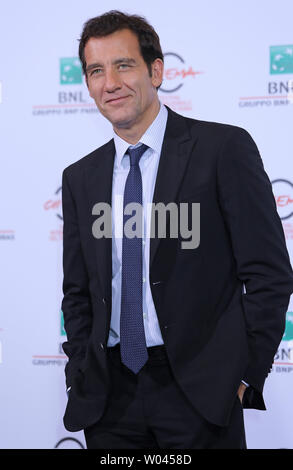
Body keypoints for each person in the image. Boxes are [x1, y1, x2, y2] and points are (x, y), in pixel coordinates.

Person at [61, 10, 293, 449]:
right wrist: (79, 374)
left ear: (157, 70)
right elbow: (78, 291)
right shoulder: (80, 177)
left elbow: (269, 273)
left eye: (123, 65)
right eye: (96, 70)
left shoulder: (222, 150)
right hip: (110, 400)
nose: (109, 82)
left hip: (200, 395)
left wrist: (244, 374)